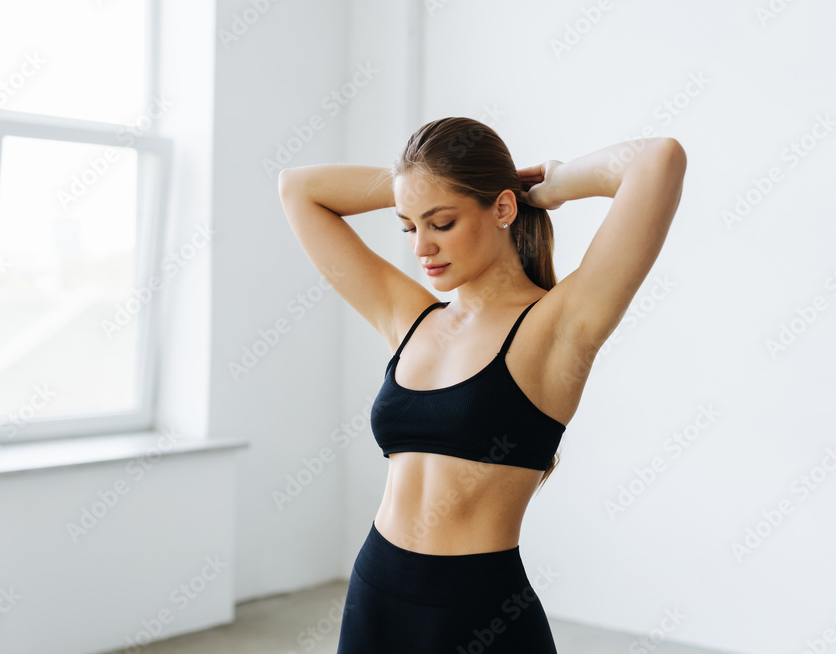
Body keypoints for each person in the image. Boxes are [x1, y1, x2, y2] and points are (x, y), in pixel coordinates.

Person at [277, 117, 686, 653]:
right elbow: (298, 189)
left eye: (441, 222)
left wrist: (551, 184)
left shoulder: (559, 327)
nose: (421, 247)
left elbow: (658, 159)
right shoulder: (411, 318)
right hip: (375, 595)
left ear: (501, 210)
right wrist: (423, 185)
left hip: (480, 614)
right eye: (408, 226)